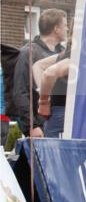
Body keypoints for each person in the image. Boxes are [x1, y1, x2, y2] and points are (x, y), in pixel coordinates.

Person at [13, 8, 67, 137]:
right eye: (65, 25)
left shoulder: (63, 53)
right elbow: (20, 92)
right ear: (56, 29)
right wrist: (32, 126)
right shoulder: (28, 53)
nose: (68, 29)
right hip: (41, 126)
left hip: (62, 125)